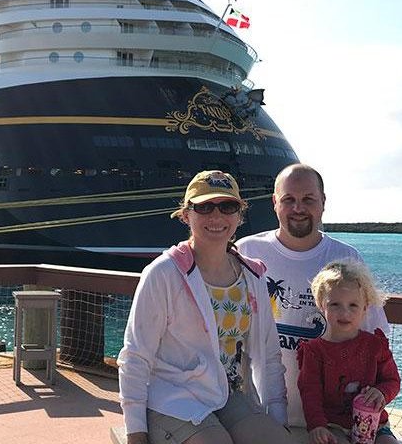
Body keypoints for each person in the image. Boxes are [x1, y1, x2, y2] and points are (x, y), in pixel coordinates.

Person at [118, 170, 295, 444]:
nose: (216, 216)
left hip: (228, 394)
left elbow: (269, 358)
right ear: (186, 215)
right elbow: (135, 355)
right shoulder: (164, 273)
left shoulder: (253, 277)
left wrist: (279, 420)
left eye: (227, 206)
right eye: (204, 207)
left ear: (239, 215)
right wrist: (135, 431)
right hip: (173, 397)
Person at [236, 163, 391, 429]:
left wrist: (375, 405)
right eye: (289, 199)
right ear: (275, 202)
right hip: (263, 414)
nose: (298, 208)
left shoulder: (347, 258)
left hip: (333, 422)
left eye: (308, 199)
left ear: (323, 202)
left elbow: (377, 338)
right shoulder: (246, 251)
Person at [298, 261, 400, 444]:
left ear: (365, 308)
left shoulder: (375, 345)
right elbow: (310, 392)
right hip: (333, 425)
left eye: (353, 305)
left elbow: (392, 380)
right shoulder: (314, 352)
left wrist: (381, 392)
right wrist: (317, 425)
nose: (344, 313)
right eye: (335, 304)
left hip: (375, 424)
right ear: (321, 305)